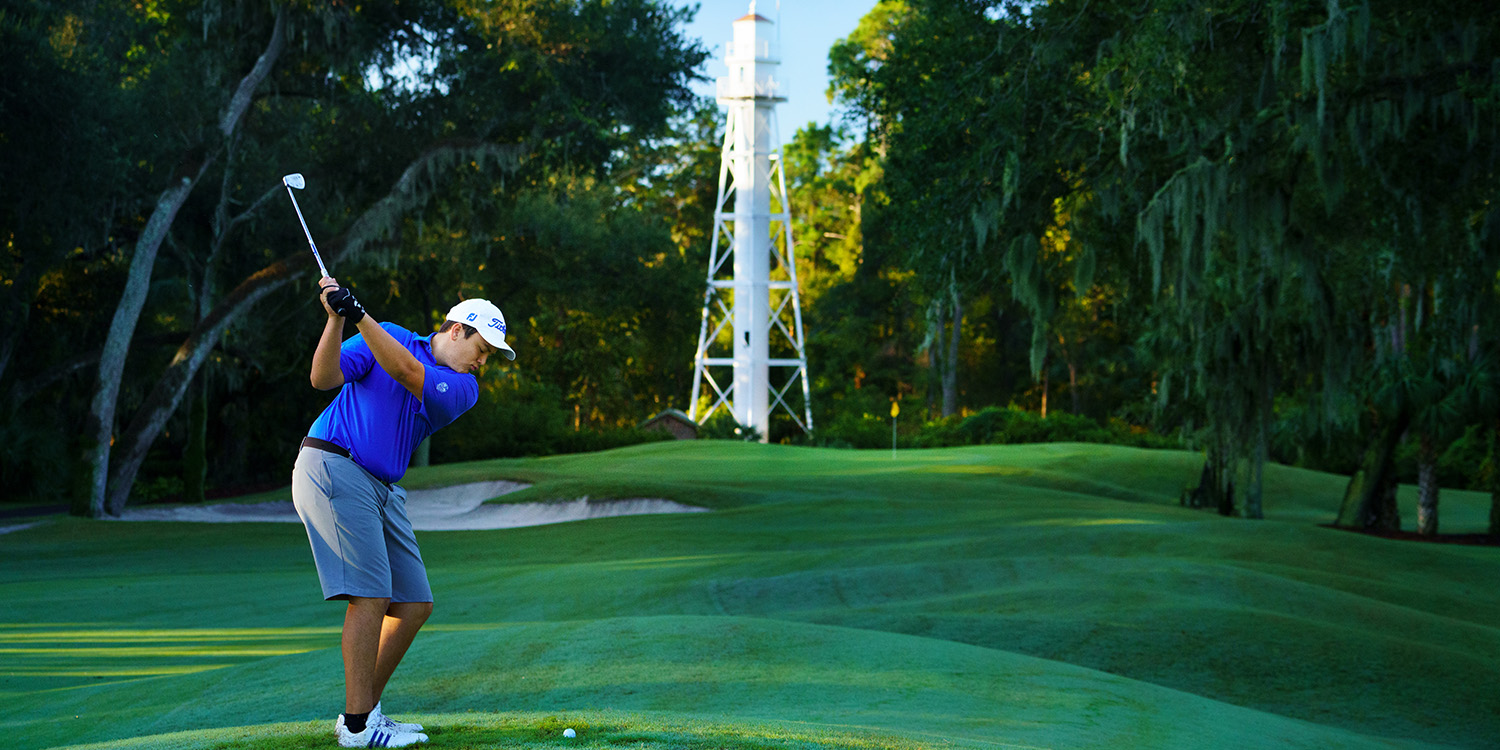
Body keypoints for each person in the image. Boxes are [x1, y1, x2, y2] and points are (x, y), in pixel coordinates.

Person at [291, 275, 515, 748]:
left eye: (490, 355)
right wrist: (335, 320)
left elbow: (409, 373)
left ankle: (363, 711)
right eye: (482, 348)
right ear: (457, 330)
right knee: (371, 594)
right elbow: (322, 378)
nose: (483, 361)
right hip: (334, 462)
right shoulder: (388, 333)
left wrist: (358, 315)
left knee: (413, 603)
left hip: (382, 487)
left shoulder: (463, 387)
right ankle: (358, 727)